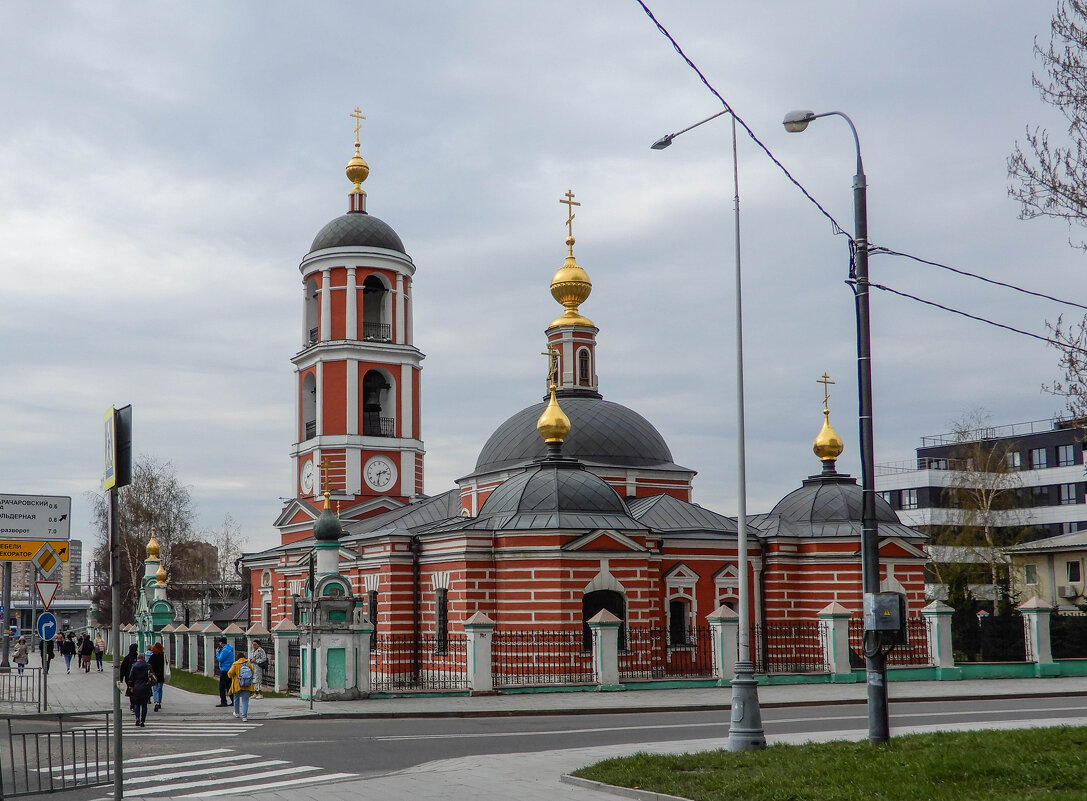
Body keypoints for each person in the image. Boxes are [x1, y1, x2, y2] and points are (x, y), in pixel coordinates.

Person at [127, 651, 154, 727]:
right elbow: (152, 676)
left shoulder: (134, 666)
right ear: (144, 658)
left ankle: (137, 718)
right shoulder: (148, 666)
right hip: (145, 687)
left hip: (136, 687)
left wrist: (130, 686)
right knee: (144, 705)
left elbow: (131, 677)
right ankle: (142, 721)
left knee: (136, 704)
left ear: (138, 658)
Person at [226, 654, 255, 722]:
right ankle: (244, 716)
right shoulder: (248, 664)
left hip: (237, 685)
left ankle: (236, 713)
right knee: (245, 701)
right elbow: (252, 672)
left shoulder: (235, 664)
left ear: (237, 658)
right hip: (247, 685)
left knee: (236, 699)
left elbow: (230, 674)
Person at [215, 637, 234, 707]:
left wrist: (217, 653)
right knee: (229, 686)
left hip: (224, 670)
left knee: (222, 687)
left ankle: (223, 702)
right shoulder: (229, 648)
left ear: (221, 642)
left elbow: (220, 659)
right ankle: (233, 700)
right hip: (229, 669)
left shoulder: (225, 650)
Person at [119, 643, 139, 712]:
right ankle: (134, 704)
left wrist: (121, 678)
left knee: (131, 690)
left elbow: (122, 668)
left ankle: (133, 705)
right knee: (135, 691)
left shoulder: (127, 657)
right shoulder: (137, 657)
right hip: (135, 677)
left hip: (128, 678)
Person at [148, 642, 165, 711]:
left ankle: (156, 702)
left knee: (155, 689)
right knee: (160, 689)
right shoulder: (163, 656)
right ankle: (159, 702)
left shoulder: (152, 657)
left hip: (154, 675)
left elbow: (149, 665)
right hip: (161, 675)